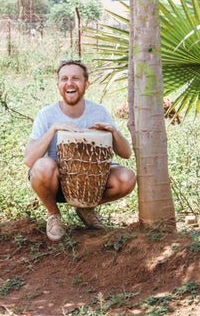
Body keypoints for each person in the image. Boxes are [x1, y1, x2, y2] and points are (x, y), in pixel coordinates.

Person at [24, 59, 136, 242]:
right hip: (56, 184)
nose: (69, 83)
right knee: (42, 166)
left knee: (127, 177)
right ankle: (53, 215)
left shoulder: (99, 112)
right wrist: (54, 129)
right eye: (64, 79)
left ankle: (85, 206)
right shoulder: (46, 114)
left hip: (90, 184)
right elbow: (29, 159)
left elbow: (126, 154)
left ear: (86, 84)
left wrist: (113, 131)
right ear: (58, 85)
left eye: (75, 78)